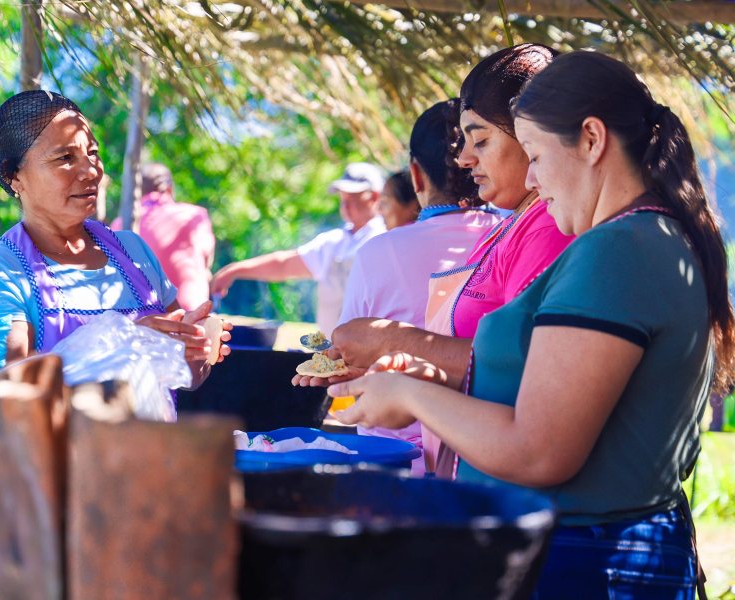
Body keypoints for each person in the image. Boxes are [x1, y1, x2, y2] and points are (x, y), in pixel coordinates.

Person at [329, 51, 733, 598]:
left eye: (538, 156)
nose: (536, 182)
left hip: (586, 561)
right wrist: (428, 376)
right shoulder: (639, 241)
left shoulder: (617, 252)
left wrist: (409, 394)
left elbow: (539, 450)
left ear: (591, 140)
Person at [294, 44, 573, 473]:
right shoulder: (512, 228)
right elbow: (495, 364)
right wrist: (402, 369)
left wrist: (395, 346)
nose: (464, 159)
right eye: (464, 143)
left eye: (480, 140)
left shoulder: (549, 225)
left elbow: (529, 374)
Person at [0, 90, 228, 389]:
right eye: (65, 157)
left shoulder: (133, 251)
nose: (91, 171)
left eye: (93, 154)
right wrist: (123, 347)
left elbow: (187, 379)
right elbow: (9, 391)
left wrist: (194, 351)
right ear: (14, 176)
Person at [336, 99, 500, 473]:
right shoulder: (511, 241)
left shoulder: (377, 252)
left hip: (394, 465)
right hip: (486, 459)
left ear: (416, 176)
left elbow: (346, 353)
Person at [210, 162, 387, 336]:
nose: (346, 206)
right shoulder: (334, 241)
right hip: (335, 351)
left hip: (373, 351)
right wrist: (234, 270)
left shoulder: (385, 238)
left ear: (375, 197)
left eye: (353, 198)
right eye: (343, 199)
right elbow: (284, 265)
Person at [112, 163, 216, 311]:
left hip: (139, 320)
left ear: (138, 190)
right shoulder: (195, 216)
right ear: (169, 187)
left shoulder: (119, 224)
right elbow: (207, 261)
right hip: (190, 316)